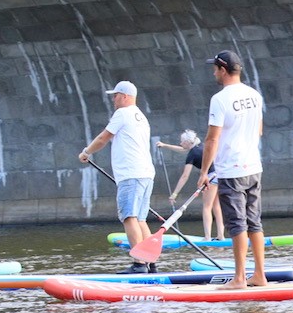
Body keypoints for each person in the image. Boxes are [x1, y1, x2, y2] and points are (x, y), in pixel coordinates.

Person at [197, 50, 267, 288]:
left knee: (237, 224)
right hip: (254, 167)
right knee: (254, 222)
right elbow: (259, 130)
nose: (214, 73)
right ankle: (260, 275)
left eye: (215, 69)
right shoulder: (254, 95)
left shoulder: (220, 99)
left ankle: (239, 278)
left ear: (223, 70)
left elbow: (212, 139)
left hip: (231, 171)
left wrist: (204, 171)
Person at [79, 81, 156, 273]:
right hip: (146, 174)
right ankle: (151, 263)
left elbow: (103, 138)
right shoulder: (141, 117)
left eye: (116, 95)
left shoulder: (123, 113)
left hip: (131, 174)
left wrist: (86, 152)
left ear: (125, 96)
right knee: (140, 219)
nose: (113, 99)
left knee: (129, 217)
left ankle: (139, 264)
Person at [157, 130, 222, 240]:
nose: (180, 144)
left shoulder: (192, 154)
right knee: (216, 206)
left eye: (182, 141)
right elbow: (182, 149)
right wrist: (164, 145)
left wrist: (174, 194)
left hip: (210, 177)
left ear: (188, 142)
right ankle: (221, 236)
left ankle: (207, 237)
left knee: (206, 207)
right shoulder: (199, 146)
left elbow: (185, 176)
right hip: (219, 176)